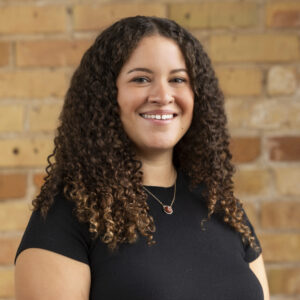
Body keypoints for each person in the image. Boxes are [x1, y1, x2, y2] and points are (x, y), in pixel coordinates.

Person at [14, 16, 270, 300]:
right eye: (141, 79)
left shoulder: (221, 206)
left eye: (178, 79)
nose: (163, 95)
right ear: (107, 95)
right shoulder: (69, 215)